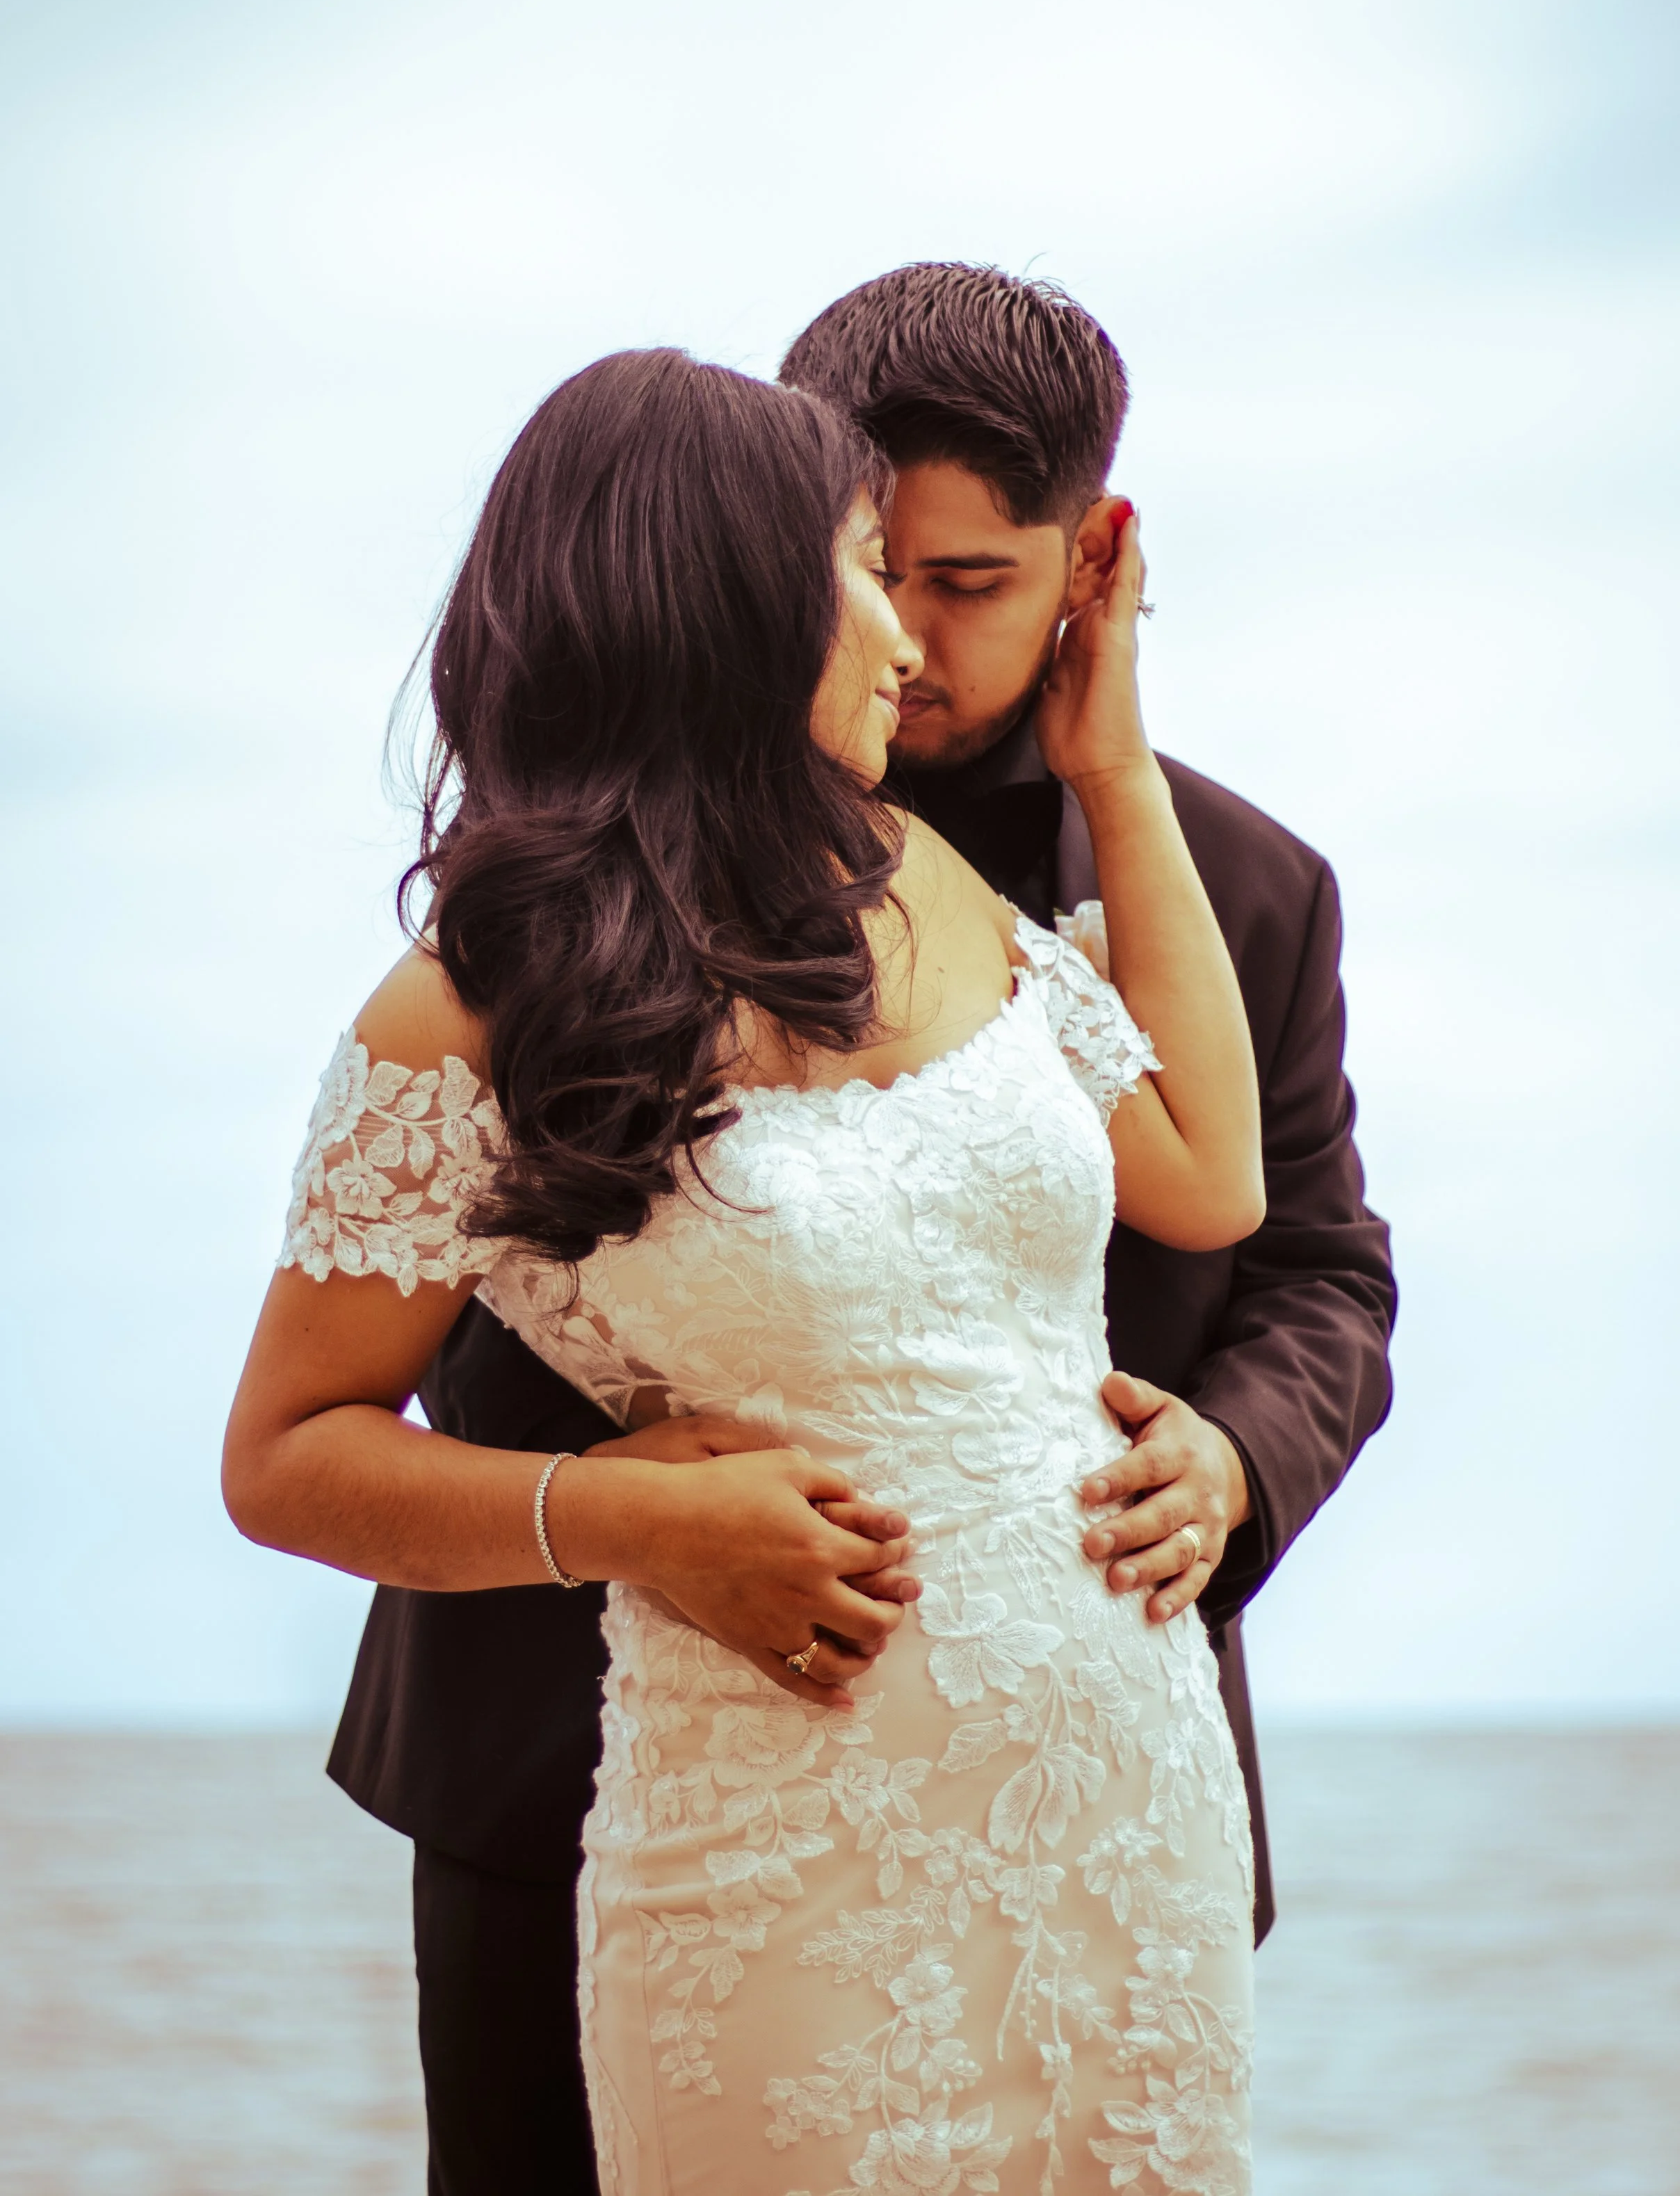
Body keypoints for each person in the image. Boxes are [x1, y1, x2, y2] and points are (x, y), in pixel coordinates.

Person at [225, 342, 1274, 2193]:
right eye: (865, 573)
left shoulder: (939, 890)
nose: (907, 642)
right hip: (780, 1852)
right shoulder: (478, 998)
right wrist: (616, 1516)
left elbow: (1205, 1178)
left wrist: (1108, 760)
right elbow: (287, 1452)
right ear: (726, 606)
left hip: (1122, 1811)